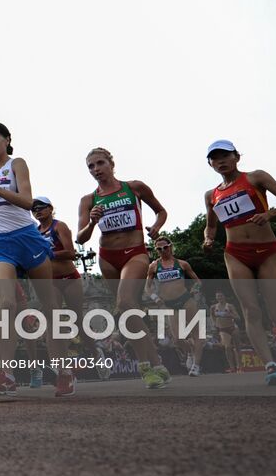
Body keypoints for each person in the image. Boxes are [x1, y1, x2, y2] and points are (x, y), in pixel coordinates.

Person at [0, 122, 76, 396]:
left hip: (27, 238)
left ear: (6, 140)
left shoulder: (17, 164)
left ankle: (64, 370)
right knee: (6, 303)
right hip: (0, 243)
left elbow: (28, 201)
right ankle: (6, 374)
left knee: (50, 306)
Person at [201, 139, 276, 386]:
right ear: (210, 164)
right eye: (215, 158)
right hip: (235, 253)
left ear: (237, 156)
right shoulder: (211, 195)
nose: (221, 161)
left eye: (225, 155)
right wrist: (207, 240)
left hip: (267, 251)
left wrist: (269, 214)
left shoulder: (256, 178)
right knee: (250, 310)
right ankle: (271, 366)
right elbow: (211, 226)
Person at [75, 146, 171, 388]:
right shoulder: (89, 200)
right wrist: (93, 222)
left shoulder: (134, 187)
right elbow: (81, 238)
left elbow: (161, 211)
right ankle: (158, 363)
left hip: (136, 253)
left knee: (125, 303)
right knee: (130, 312)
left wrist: (156, 227)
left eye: (100, 163)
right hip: (108, 257)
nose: (96, 169)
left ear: (111, 164)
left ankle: (144, 367)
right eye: (90, 167)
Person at [34, 195, 84, 390]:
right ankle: (62, 369)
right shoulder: (34, 232)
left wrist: (50, 253)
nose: (37, 210)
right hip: (50, 281)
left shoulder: (58, 226)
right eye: (34, 208)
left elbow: (72, 252)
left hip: (69, 278)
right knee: (52, 320)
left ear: (50, 208)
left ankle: (94, 352)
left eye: (41, 207)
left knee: (78, 319)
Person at [143, 236, 205, 376]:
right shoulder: (153, 266)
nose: (163, 250)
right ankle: (189, 352)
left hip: (186, 300)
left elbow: (198, 281)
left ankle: (196, 366)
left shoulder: (182, 264)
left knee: (197, 334)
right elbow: (148, 287)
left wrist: (195, 289)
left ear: (170, 246)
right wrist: (155, 298)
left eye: (165, 247)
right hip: (170, 305)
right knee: (177, 339)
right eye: (159, 249)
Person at [210, 291, 242, 372]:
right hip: (222, 329)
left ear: (224, 297)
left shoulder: (230, 306)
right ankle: (232, 367)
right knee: (227, 347)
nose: (219, 298)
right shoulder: (213, 307)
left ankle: (239, 366)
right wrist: (215, 323)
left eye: (221, 296)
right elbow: (212, 316)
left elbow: (238, 317)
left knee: (237, 347)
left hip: (232, 327)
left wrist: (229, 315)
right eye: (217, 296)